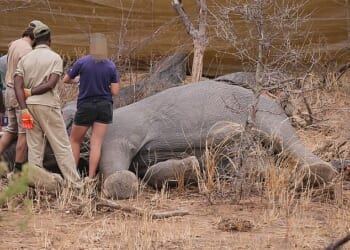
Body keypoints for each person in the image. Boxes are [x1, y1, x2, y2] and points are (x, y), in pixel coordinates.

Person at [14, 21, 81, 186]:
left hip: (29, 107)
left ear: (35, 40)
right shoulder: (55, 58)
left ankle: (35, 184)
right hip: (47, 106)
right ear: (49, 40)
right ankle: (75, 184)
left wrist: (24, 109)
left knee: (35, 147)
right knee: (61, 145)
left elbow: (17, 86)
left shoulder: (25, 58)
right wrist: (33, 91)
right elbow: (51, 84)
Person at [63, 33, 119, 179]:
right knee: (96, 143)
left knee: (74, 140)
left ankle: (72, 176)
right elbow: (115, 91)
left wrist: (78, 80)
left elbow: (66, 80)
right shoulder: (110, 65)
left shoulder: (82, 62)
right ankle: (91, 177)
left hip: (86, 106)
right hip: (105, 106)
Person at [0, 21, 42, 171]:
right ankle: (18, 168)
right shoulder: (27, 51)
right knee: (24, 132)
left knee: (10, 130)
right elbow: (27, 76)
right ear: (35, 38)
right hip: (19, 94)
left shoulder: (14, 44)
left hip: (8, 92)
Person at [0, 55, 7, 126]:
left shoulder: (1, 60)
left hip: (3, 91)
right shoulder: (22, 58)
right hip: (18, 92)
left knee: (5, 118)